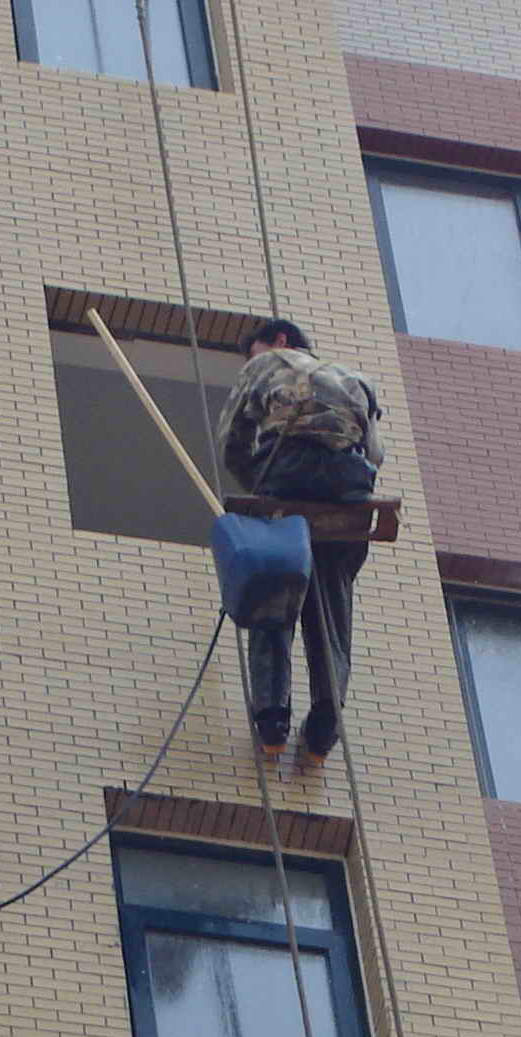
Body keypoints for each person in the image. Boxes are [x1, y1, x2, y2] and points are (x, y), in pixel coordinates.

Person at [216, 318, 385, 760]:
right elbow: (375, 453)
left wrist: (259, 486)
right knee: (331, 603)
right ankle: (325, 724)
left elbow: (232, 439)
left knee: (272, 590)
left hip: (289, 474)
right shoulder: (356, 378)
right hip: (347, 486)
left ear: (279, 340)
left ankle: (272, 720)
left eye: (252, 350)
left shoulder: (266, 364)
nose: (250, 359)